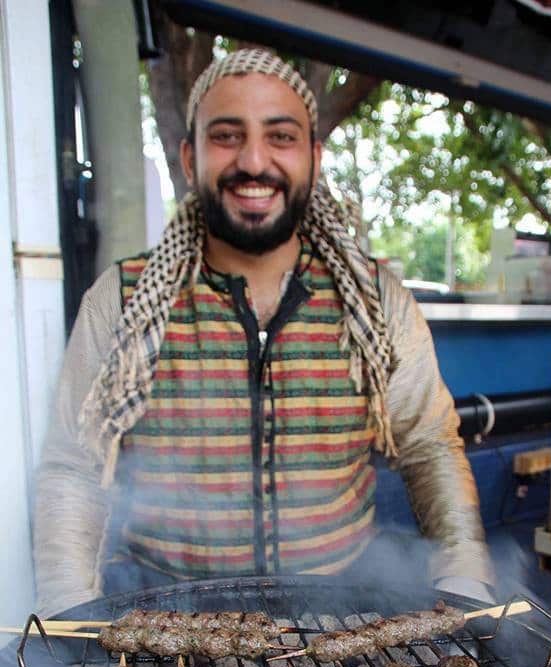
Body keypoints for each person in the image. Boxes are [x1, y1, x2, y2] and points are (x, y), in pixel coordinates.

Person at [34, 48, 493, 616]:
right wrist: (67, 606)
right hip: (164, 618)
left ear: (314, 158)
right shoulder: (123, 299)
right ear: (189, 157)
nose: (253, 161)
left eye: (280, 137)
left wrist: (464, 571)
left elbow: (428, 446)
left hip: (338, 619)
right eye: (227, 136)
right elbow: (74, 468)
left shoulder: (378, 303)